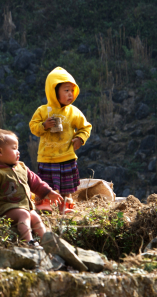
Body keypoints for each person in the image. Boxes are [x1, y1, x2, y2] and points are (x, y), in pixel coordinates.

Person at [0, 129, 63, 244]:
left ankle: (47, 241)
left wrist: (48, 192)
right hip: (5, 209)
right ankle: (29, 242)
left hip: (25, 206)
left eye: (17, 148)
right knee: (23, 214)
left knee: (35, 216)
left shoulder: (22, 167)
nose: (18, 152)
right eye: (14, 148)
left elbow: (36, 182)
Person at [29, 67, 92, 213]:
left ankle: (67, 205)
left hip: (67, 156)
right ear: (54, 91)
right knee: (45, 184)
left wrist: (79, 139)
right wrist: (44, 125)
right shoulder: (43, 111)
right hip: (47, 157)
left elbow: (86, 127)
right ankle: (44, 203)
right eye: (66, 90)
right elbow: (33, 126)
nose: (70, 94)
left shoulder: (73, 111)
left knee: (67, 187)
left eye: (71, 90)